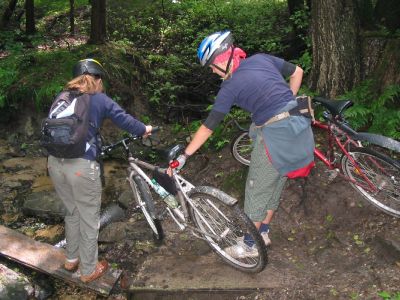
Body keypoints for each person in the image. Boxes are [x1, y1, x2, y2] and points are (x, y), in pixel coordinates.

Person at [175, 30, 315, 258]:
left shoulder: (229, 87)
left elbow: (209, 127)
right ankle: (264, 233)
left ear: (222, 59)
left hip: (275, 137)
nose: (212, 71)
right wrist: (288, 101)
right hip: (299, 128)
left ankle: (249, 245)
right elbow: (298, 71)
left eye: (211, 65)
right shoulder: (261, 59)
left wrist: (185, 155)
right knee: (274, 184)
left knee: (257, 191)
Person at [47, 58, 153, 282]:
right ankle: (88, 270)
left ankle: (71, 259)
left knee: (72, 212)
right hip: (81, 166)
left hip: (55, 164)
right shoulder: (98, 99)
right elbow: (124, 120)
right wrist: (145, 128)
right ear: (97, 78)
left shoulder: (61, 97)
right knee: (88, 217)